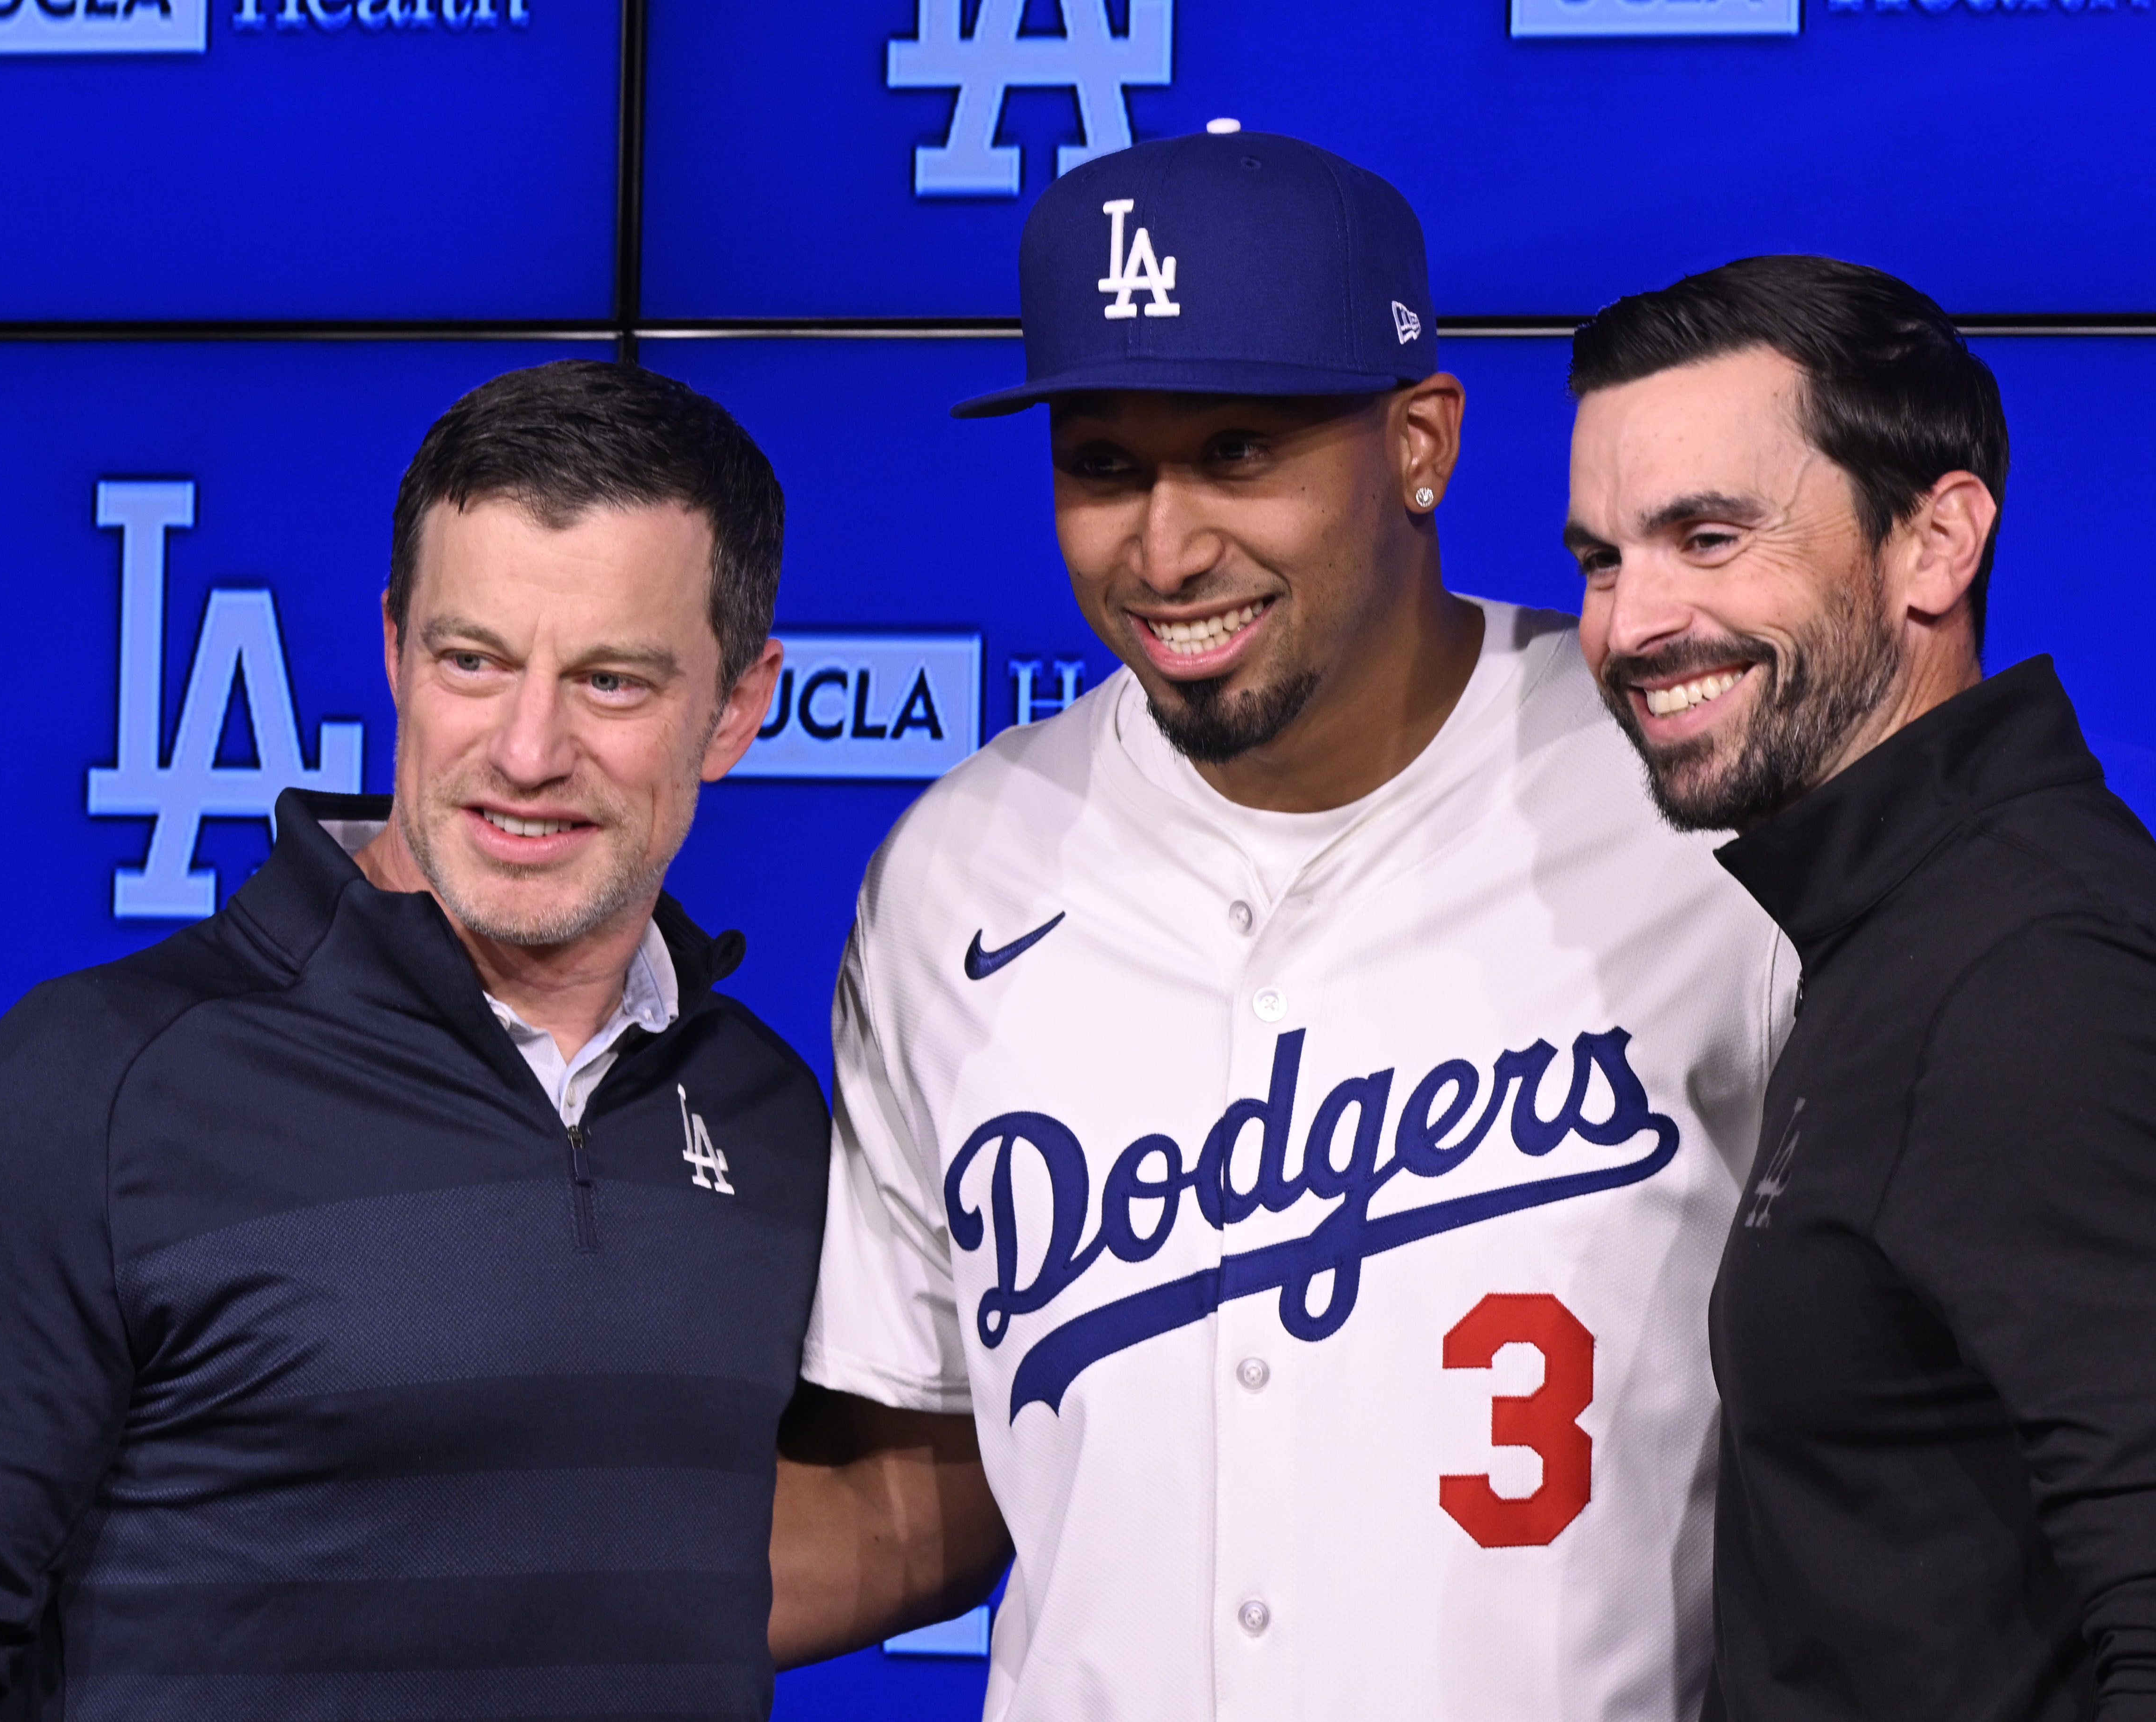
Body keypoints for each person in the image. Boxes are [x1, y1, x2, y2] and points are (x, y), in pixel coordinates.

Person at [768, 131, 1794, 1720]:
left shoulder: (1691, 806)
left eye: (1240, 451)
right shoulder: (956, 868)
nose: (1165, 546)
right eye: (1104, 464)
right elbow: (933, 1469)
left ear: (1420, 442)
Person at [0, 360, 830, 1719]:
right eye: (473, 660)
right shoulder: (102, 1082)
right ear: (396, 645)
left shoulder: (766, 1113)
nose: (527, 749)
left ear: (740, 706)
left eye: (612, 681)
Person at [1563, 255, 2156, 1722]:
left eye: (1707, 535)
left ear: (1934, 542)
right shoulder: (1902, 936)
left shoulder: (2046, 977)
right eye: (1603, 559)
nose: (1631, 623)